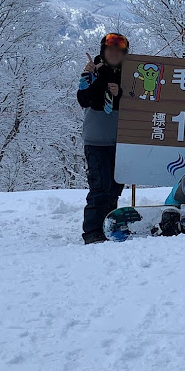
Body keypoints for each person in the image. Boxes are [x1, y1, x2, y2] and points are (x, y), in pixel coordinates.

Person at [77, 33, 129, 244]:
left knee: (115, 187)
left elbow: (138, 101)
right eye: (110, 50)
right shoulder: (92, 72)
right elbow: (84, 98)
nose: (114, 54)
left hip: (121, 141)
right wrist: (96, 80)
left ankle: (109, 225)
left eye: (119, 51)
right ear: (103, 51)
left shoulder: (129, 75)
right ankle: (92, 231)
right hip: (96, 141)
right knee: (100, 187)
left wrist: (121, 93)